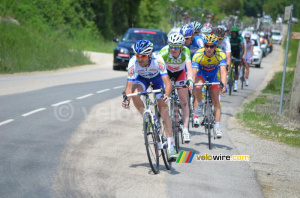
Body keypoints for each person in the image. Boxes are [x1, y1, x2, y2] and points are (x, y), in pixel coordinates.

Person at [122, 40, 177, 160]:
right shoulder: (133, 62)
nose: (140, 59)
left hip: (158, 79)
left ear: (150, 55)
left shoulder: (158, 60)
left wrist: (166, 95)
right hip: (142, 79)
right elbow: (129, 87)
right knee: (134, 94)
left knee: (163, 110)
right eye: (137, 55)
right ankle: (146, 117)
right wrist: (127, 99)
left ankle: (171, 146)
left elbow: (168, 84)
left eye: (143, 56)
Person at [159, 33, 194, 143]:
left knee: (184, 101)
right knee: (162, 98)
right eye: (171, 46)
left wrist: (190, 80)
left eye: (176, 47)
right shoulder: (163, 52)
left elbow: (189, 68)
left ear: (181, 47)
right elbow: (159, 70)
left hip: (180, 74)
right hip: (167, 74)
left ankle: (185, 129)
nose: (173, 49)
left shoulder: (185, 51)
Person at [192, 34, 227, 138]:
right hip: (201, 74)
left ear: (216, 46)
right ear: (204, 45)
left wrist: (223, 85)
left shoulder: (221, 54)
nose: (209, 48)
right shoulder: (198, 55)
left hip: (214, 76)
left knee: (216, 100)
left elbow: (223, 72)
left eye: (212, 46)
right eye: (207, 45)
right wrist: (191, 84)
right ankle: (197, 112)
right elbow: (193, 73)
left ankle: (217, 127)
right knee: (197, 87)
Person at [228, 26, 245, 92]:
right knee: (228, 64)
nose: (234, 34)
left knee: (236, 67)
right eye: (233, 33)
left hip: (237, 51)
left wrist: (241, 56)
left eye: (236, 33)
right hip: (230, 50)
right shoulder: (228, 37)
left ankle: (235, 84)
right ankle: (227, 76)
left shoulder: (240, 38)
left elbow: (242, 47)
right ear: (231, 33)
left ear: (238, 33)